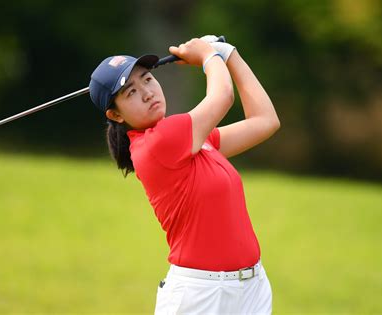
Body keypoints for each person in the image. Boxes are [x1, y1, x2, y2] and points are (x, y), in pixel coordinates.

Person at [89, 35, 280, 314]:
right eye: (130, 92)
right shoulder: (159, 142)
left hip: (251, 289)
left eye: (147, 79)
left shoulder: (196, 141)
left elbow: (265, 121)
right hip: (201, 297)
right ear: (116, 115)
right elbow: (223, 96)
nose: (147, 92)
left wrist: (230, 55)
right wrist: (207, 56)